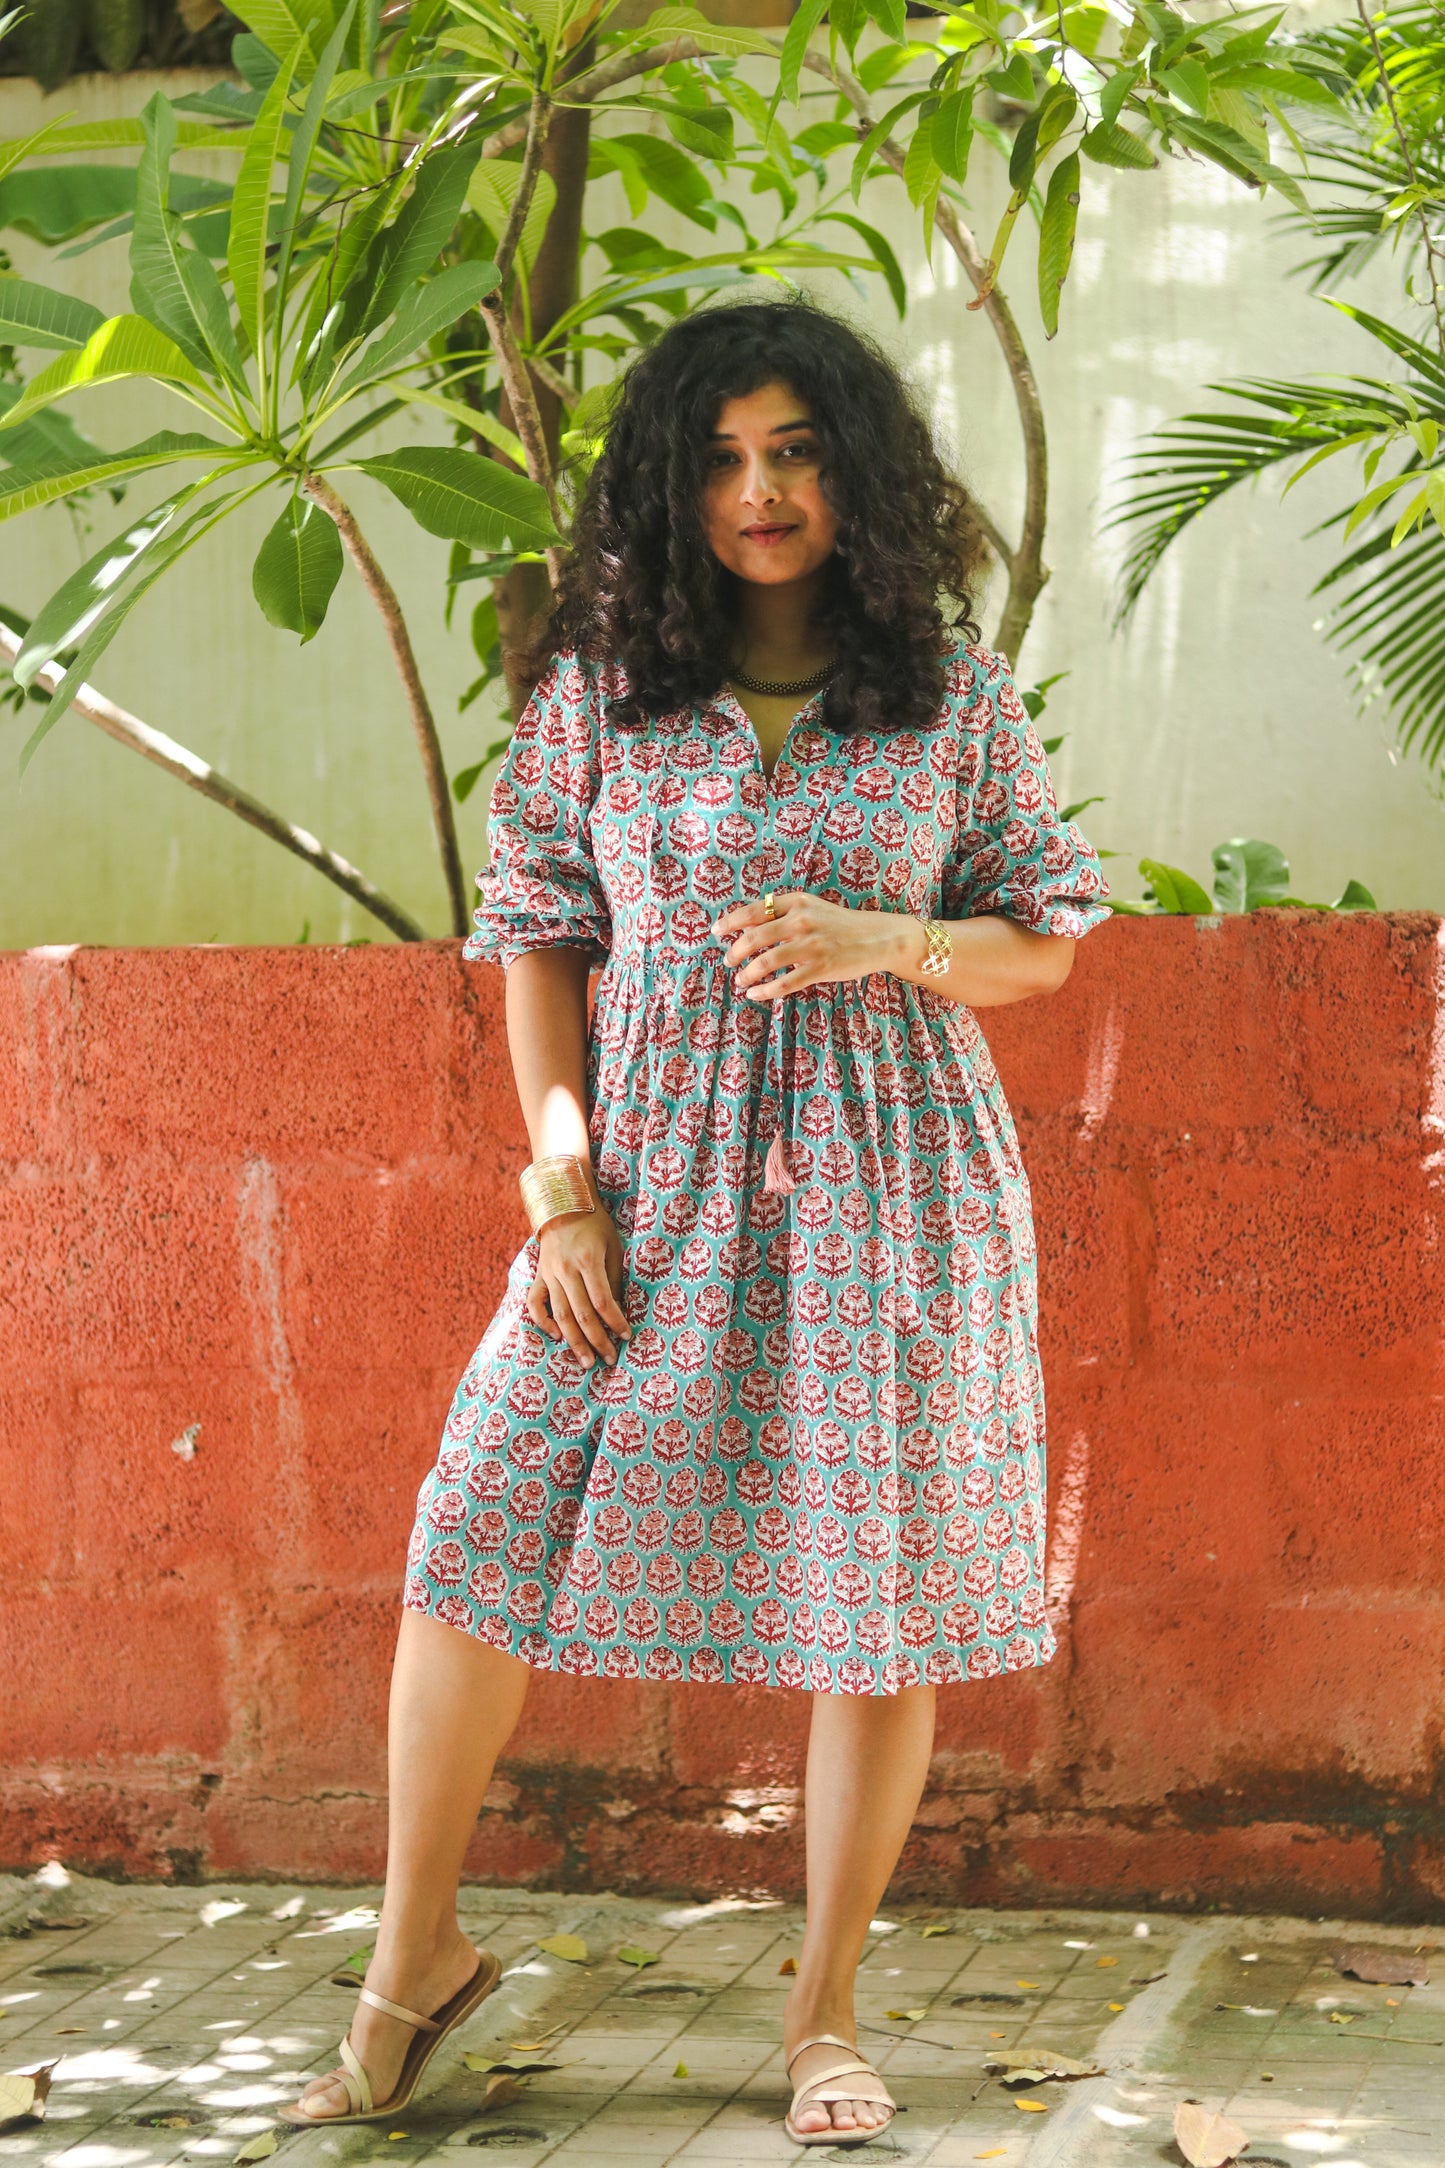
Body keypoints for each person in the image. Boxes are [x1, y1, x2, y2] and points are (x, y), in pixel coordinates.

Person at [284, 298, 1109, 2148]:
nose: (761, 490)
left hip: (894, 1196)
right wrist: (558, 1188)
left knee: (865, 1605)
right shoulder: (602, 691)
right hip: (642, 1190)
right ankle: (411, 1958)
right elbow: (536, 942)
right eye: (725, 456)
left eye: (798, 450)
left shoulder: (946, 693)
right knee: (477, 1521)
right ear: (674, 481)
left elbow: (1043, 939)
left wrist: (879, 939)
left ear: (859, 475)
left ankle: (823, 2013)